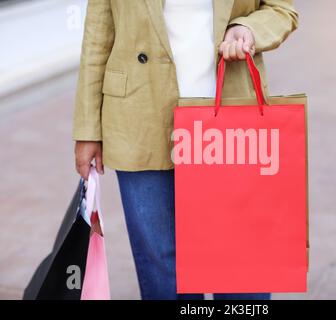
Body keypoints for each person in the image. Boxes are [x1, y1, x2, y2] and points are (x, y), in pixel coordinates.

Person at [73, 0, 298, 300]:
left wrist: (248, 27)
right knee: (162, 267)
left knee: (239, 263)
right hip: (139, 117)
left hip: (229, 121)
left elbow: (281, 8)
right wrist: (88, 128)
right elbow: (98, 31)